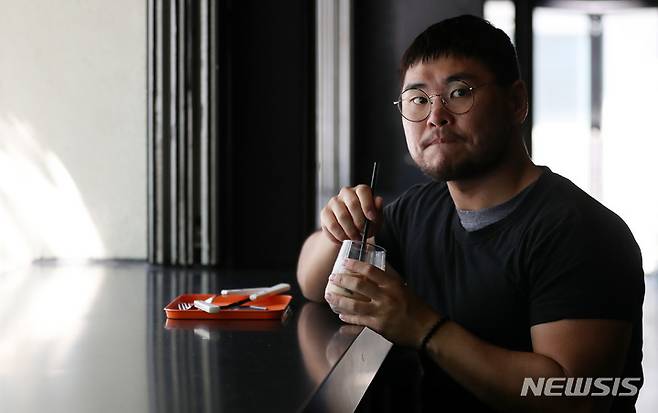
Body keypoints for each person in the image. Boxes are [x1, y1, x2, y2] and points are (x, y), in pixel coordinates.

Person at [296, 14, 644, 412]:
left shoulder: (581, 231)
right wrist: (338, 231)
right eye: (418, 99)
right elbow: (310, 282)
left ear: (516, 102)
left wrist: (422, 326)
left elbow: (572, 398)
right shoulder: (420, 209)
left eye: (459, 92)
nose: (436, 116)